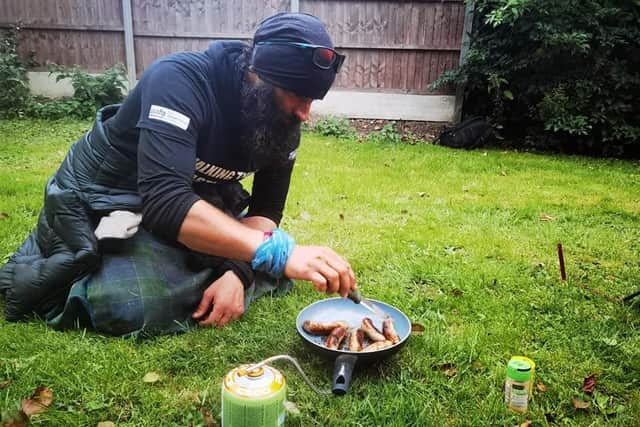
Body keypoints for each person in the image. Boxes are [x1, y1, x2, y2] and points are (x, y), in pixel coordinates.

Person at [0, 12, 356, 337]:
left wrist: (237, 271)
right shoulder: (178, 79)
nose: (305, 113)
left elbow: (267, 210)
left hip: (189, 201)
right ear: (258, 76)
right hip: (104, 196)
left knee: (253, 255)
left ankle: (213, 266)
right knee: (129, 302)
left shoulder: (285, 121)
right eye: (296, 94)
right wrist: (275, 254)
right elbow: (166, 203)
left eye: (313, 99)